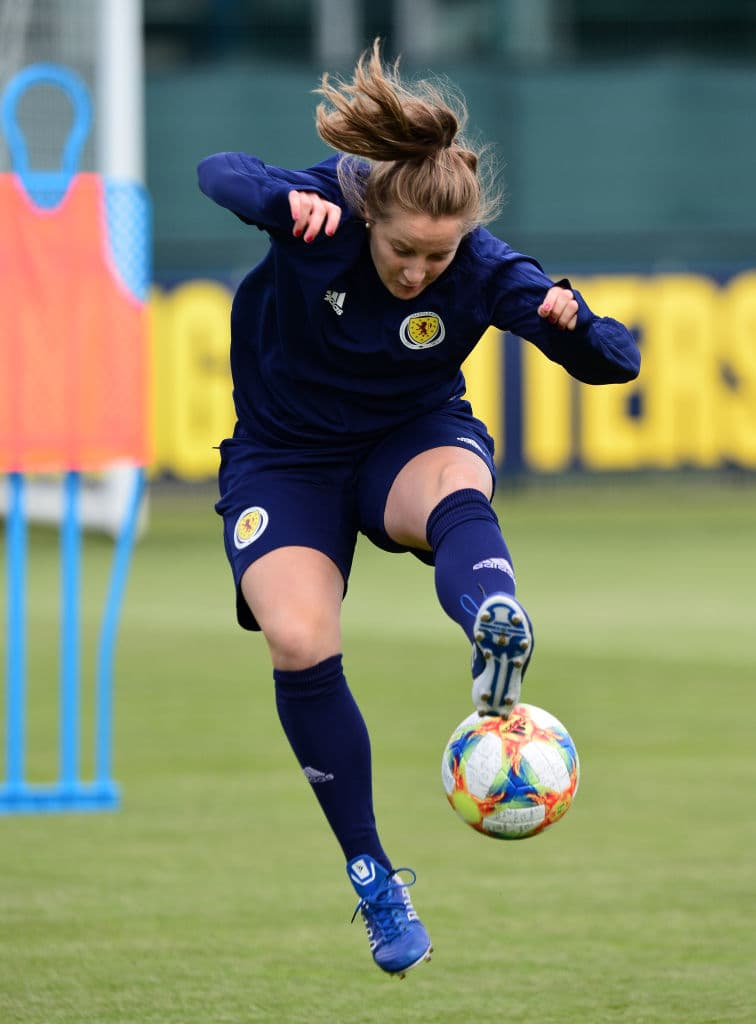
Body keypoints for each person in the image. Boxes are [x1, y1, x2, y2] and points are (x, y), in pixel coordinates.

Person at [197, 39, 640, 979]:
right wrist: (284, 202)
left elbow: (619, 362)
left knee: (455, 482)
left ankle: (491, 614)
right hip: (285, 459)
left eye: (439, 256)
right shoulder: (328, 208)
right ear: (372, 218)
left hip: (408, 435)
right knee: (297, 635)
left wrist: (577, 327)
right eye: (404, 251)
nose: (419, 272)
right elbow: (219, 172)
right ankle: (373, 878)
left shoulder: (480, 266)